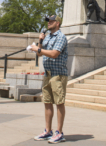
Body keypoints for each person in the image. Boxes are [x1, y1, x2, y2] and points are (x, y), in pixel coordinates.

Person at [30, 15, 68, 144]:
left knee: (59, 102)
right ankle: (48, 130)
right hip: (48, 73)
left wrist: (38, 48)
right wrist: (40, 41)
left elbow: (54, 53)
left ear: (57, 23)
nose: (48, 23)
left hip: (58, 74)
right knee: (47, 102)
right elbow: (39, 53)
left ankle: (59, 132)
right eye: (48, 21)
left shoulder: (61, 37)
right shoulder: (48, 37)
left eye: (51, 21)